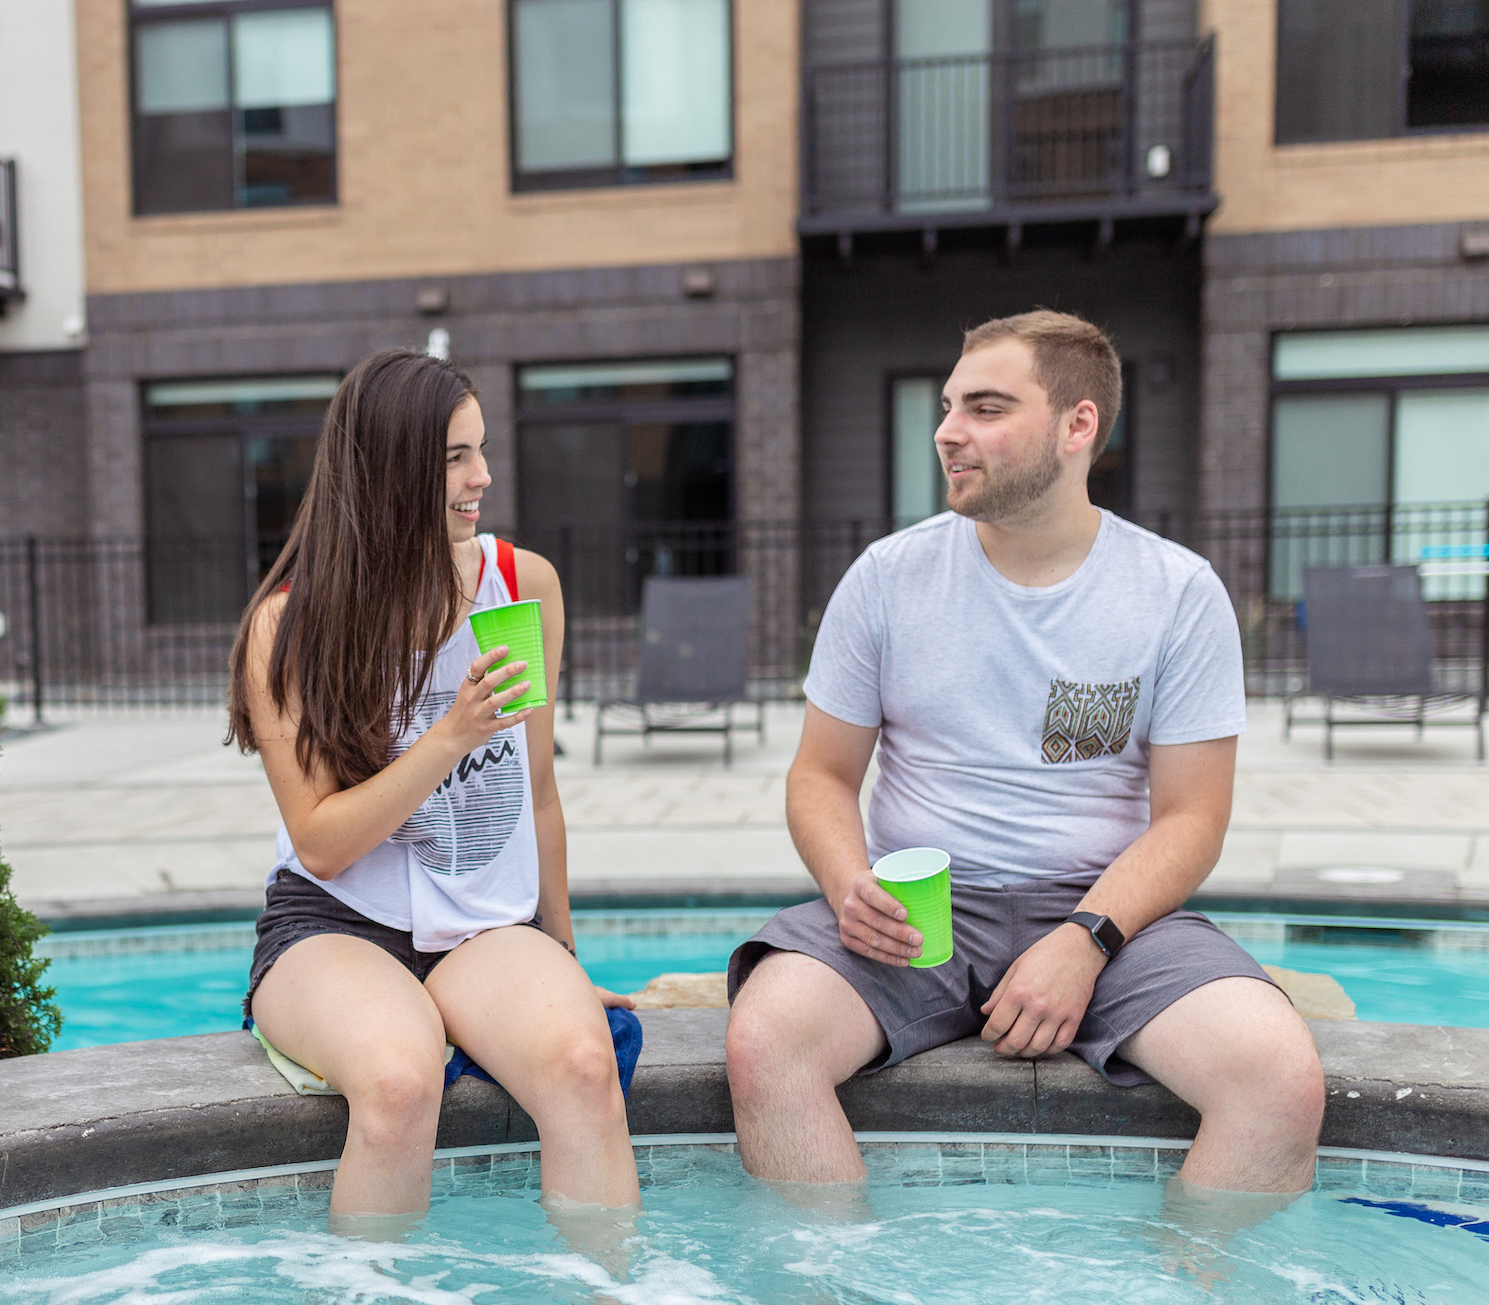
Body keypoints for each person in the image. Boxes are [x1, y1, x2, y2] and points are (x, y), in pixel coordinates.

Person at [728, 310, 1325, 1195]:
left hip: (1109, 915)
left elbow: (1194, 817)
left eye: (986, 407)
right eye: (947, 406)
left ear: (1078, 425)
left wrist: (1084, 939)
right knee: (764, 1038)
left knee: (1279, 1078)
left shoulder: (1175, 592)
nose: (947, 431)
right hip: (917, 909)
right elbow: (820, 774)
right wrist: (848, 880)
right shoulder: (888, 578)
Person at [229, 348, 640, 1227]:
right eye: (456, 456)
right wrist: (451, 733)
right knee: (400, 1080)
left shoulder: (520, 587)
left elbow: (537, 790)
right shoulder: (291, 625)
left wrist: (561, 956)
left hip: (486, 921)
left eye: (481, 451)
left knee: (582, 1062)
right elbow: (323, 841)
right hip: (334, 923)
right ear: (385, 467)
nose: (482, 477)